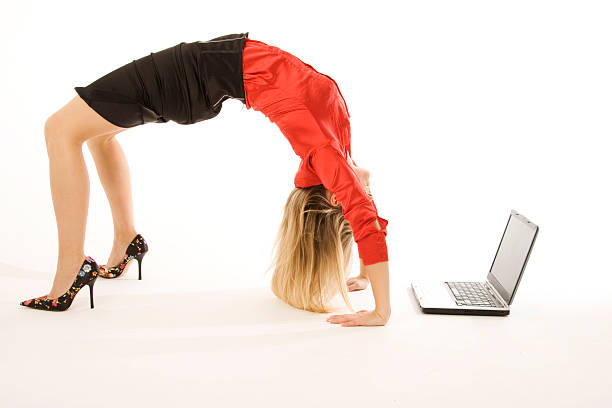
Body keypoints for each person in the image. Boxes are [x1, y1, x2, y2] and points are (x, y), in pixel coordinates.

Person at [19, 32, 391, 326]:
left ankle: (71, 268)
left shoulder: (325, 155)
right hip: (204, 69)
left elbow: (363, 219)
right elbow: (360, 214)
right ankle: (126, 241)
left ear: (332, 198)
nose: (365, 189)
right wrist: (359, 273)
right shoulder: (339, 150)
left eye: (358, 194)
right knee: (98, 133)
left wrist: (381, 311)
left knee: (59, 130)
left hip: (193, 77)